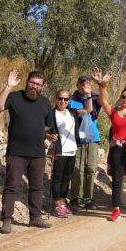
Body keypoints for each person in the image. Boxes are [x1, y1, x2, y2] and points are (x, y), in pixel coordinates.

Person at [0, 70, 53, 233]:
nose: (34, 86)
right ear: (26, 82)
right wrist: (8, 86)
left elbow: (48, 125)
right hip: (16, 151)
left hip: (38, 153)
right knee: (11, 186)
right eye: (32, 82)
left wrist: (40, 133)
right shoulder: (14, 97)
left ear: (43, 86)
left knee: (37, 187)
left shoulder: (45, 103)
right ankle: (6, 219)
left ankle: (35, 218)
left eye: (38, 84)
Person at [93, 67, 126, 222]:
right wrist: (102, 85)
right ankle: (116, 209)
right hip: (117, 148)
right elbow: (103, 100)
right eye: (124, 97)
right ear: (120, 97)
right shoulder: (114, 112)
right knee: (116, 180)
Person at [48, 90, 86, 218]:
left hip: (72, 149)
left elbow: (88, 110)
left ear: (69, 101)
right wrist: (48, 136)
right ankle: (57, 205)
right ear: (55, 99)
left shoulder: (72, 112)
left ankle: (63, 202)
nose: (62, 101)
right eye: (60, 98)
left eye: (65, 99)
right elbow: (43, 129)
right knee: (57, 178)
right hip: (59, 150)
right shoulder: (52, 114)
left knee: (67, 177)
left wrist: (88, 94)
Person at [68, 75, 100, 211]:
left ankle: (88, 198)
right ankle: (76, 198)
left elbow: (96, 108)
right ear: (77, 85)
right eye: (82, 83)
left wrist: (91, 94)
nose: (84, 85)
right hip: (77, 138)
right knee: (77, 169)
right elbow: (83, 111)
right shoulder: (70, 100)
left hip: (93, 138)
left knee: (91, 168)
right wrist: (86, 99)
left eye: (87, 83)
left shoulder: (95, 98)